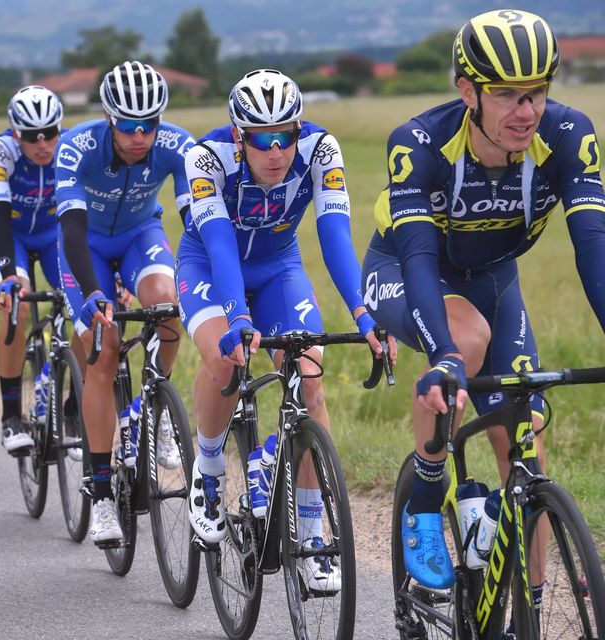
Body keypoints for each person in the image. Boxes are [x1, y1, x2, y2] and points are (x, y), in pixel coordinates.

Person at [361, 10, 605, 593]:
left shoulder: (569, 137)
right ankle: (424, 499)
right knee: (464, 341)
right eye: (508, 96)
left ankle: (531, 607)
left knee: (525, 440)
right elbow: (419, 257)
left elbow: (593, 246)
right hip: (403, 267)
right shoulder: (419, 144)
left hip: (494, 278)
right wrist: (444, 354)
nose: (527, 112)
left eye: (537, 94)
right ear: (468, 91)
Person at [177, 69, 390, 591]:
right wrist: (239, 318)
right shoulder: (205, 159)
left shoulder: (321, 150)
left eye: (286, 135)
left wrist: (363, 314)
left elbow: (335, 234)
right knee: (225, 359)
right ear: (237, 136)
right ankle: (206, 471)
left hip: (278, 267)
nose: (276, 150)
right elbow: (221, 244)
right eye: (261, 138)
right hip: (208, 265)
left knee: (310, 376)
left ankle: (314, 536)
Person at [55, 61, 193, 544]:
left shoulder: (178, 145)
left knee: (168, 304)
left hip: (140, 233)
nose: (140, 136)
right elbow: (70, 230)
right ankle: (100, 493)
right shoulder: (77, 146)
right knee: (104, 346)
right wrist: (95, 292)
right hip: (85, 243)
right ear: (110, 118)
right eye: (129, 126)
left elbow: (196, 220)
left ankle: (150, 408)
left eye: (149, 124)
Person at [0, 85, 65, 454]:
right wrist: (6, 276)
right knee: (18, 305)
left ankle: (72, 408)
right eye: (32, 136)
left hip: (51, 234)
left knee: (81, 301)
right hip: (10, 233)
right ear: (16, 133)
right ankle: (11, 417)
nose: (42, 143)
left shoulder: (68, 149)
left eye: (50, 133)